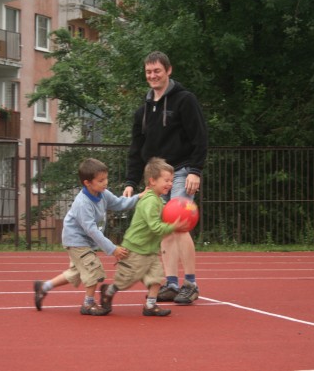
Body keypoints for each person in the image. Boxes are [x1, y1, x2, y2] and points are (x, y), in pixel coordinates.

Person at [123, 51, 208, 305]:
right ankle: (171, 284)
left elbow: (200, 137)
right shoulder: (143, 111)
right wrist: (130, 181)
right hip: (156, 176)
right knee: (164, 231)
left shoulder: (185, 100)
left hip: (182, 170)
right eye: (148, 72)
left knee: (179, 224)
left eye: (157, 71)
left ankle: (190, 283)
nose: (152, 76)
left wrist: (196, 170)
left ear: (168, 71)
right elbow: (136, 150)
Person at [33, 158, 145, 315]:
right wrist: (112, 249)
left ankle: (43, 287)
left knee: (77, 272)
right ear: (87, 183)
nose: (105, 183)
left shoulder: (103, 194)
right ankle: (88, 304)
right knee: (93, 269)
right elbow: (92, 230)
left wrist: (139, 197)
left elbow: (120, 204)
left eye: (106, 178)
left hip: (85, 241)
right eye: (101, 180)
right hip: (76, 240)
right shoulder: (83, 203)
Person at [100, 157, 190, 316]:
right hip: (135, 249)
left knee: (156, 278)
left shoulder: (158, 200)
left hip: (149, 250)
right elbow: (155, 227)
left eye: (172, 180)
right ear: (152, 181)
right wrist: (174, 226)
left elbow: (164, 215)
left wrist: (180, 212)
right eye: (167, 180)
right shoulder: (150, 201)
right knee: (126, 280)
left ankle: (150, 305)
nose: (170, 184)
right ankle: (109, 291)